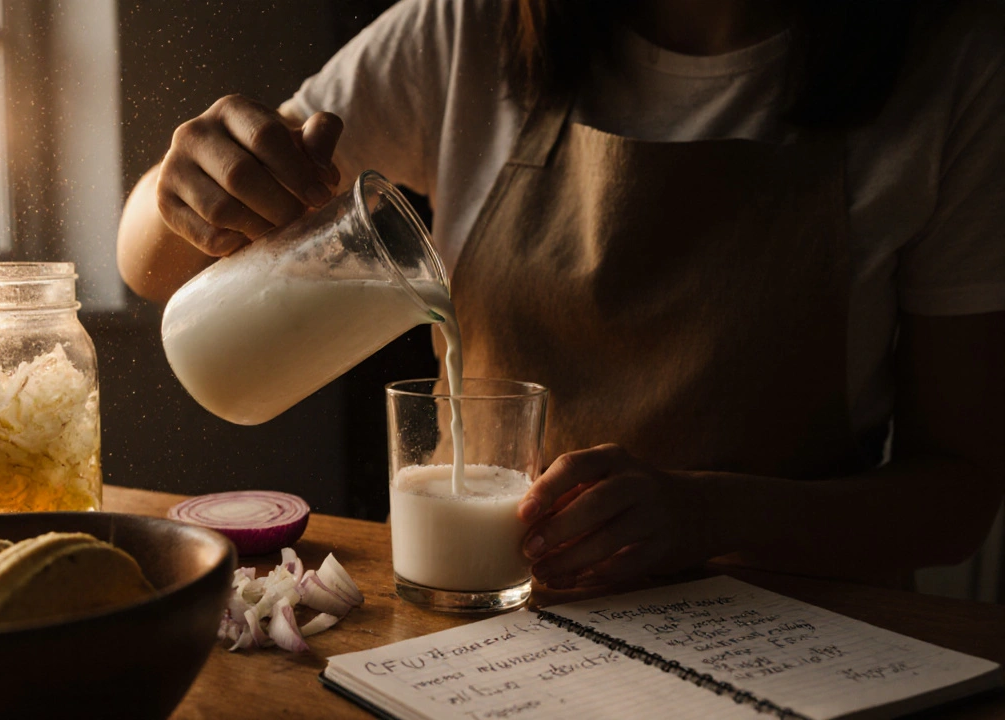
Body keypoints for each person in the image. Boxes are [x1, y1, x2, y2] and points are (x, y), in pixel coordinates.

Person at [117, 0, 1005, 590]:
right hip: (493, 623)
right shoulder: (467, 29)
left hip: (800, 639)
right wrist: (182, 184)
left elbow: (959, 497)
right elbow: (153, 270)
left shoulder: (954, 67)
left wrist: (710, 513)